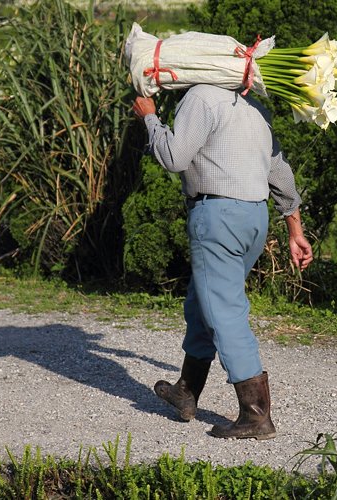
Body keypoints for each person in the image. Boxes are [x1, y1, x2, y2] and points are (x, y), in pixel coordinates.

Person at [132, 84, 312, 440]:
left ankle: (255, 415)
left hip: (218, 216)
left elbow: (173, 157)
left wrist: (149, 116)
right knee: (204, 302)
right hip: (253, 219)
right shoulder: (253, 107)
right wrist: (295, 229)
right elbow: (278, 170)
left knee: (224, 312)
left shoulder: (201, 97)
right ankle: (186, 390)